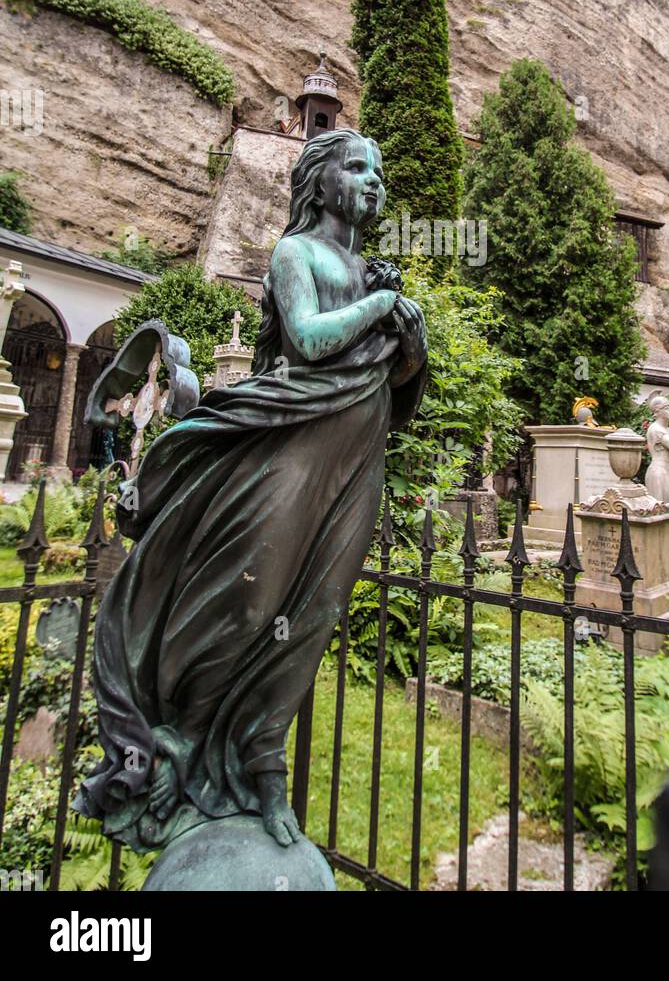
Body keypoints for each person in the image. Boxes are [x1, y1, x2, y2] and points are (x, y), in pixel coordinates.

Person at [75, 130, 427, 852]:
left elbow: (393, 380)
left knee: (315, 614)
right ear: (319, 183)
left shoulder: (368, 270)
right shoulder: (296, 254)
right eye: (356, 168)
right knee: (252, 601)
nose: (372, 182)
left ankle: (263, 770)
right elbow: (307, 339)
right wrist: (381, 305)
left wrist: (410, 334)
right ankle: (181, 747)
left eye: (378, 172)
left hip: (356, 462)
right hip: (294, 454)